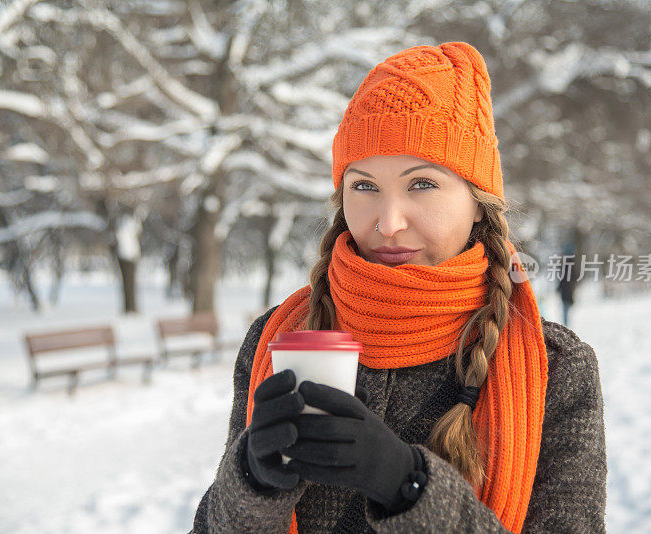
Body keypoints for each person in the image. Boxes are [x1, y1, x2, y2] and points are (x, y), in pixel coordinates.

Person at [190, 42, 606, 533]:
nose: (388, 223)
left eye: (422, 184)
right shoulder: (276, 339)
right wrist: (253, 483)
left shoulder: (554, 367)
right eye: (364, 186)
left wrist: (407, 486)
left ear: (479, 203)